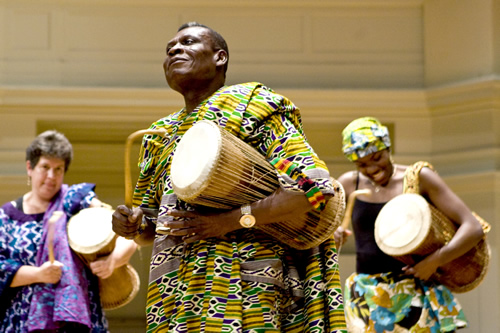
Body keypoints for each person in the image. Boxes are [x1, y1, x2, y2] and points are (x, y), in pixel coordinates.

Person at [111, 22, 346, 332]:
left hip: (245, 285)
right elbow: (151, 229)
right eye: (169, 49)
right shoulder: (158, 135)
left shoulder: (254, 105)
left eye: (188, 42)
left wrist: (228, 221)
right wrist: (132, 224)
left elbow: (313, 190)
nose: (174, 50)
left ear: (220, 57)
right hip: (172, 296)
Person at [334, 116, 485, 332]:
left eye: (377, 157)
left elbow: (473, 228)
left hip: (415, 292)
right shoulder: (350, 183)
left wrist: (434, 261)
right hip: (367, 295)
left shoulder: (419, 177)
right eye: (362, 164)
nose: (371, 168)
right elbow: (318, 229)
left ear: (387, 148)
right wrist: (333, 235)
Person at [0, 130, 138, 333]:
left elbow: (127, 236)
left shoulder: (77, 200)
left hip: (80, 323)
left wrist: (112, 261)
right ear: (30, 167)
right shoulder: (6, 217)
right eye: (45, 167)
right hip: (20, 323)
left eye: (58, 169)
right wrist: (38, 274)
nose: (51, 176)